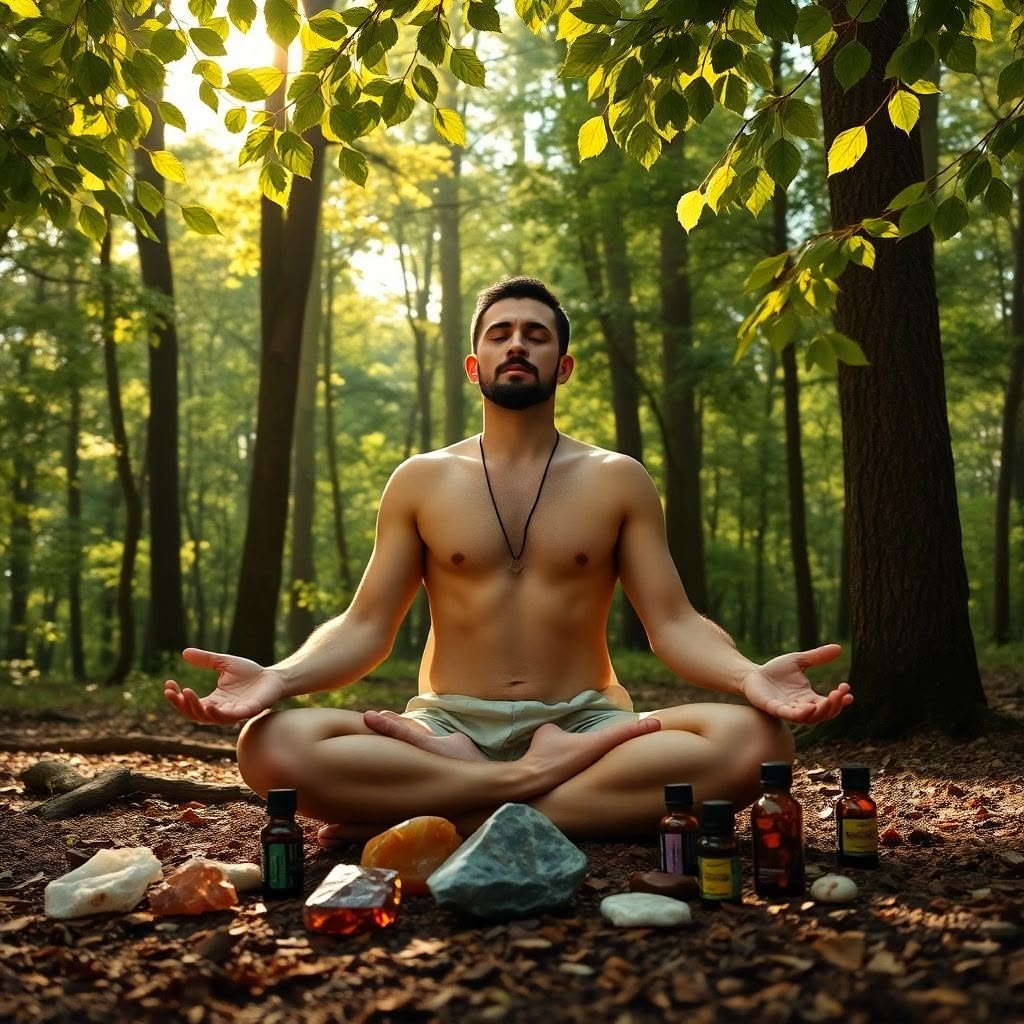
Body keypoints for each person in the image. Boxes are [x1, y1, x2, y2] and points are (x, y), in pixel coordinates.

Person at [165, 276, 852, 843]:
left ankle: (455, 814)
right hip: (445, 727)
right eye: (499, 334)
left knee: (757, 743)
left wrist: (750, 675)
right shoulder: (420, 480)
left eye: (536, 334)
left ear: (563, 366)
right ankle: (529, 791)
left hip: (586, 727)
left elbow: (672, 622)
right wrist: (279, 678)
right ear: (475, 366)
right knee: (269, 745)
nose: (517, 343)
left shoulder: (618, 478)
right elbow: (366, 625)